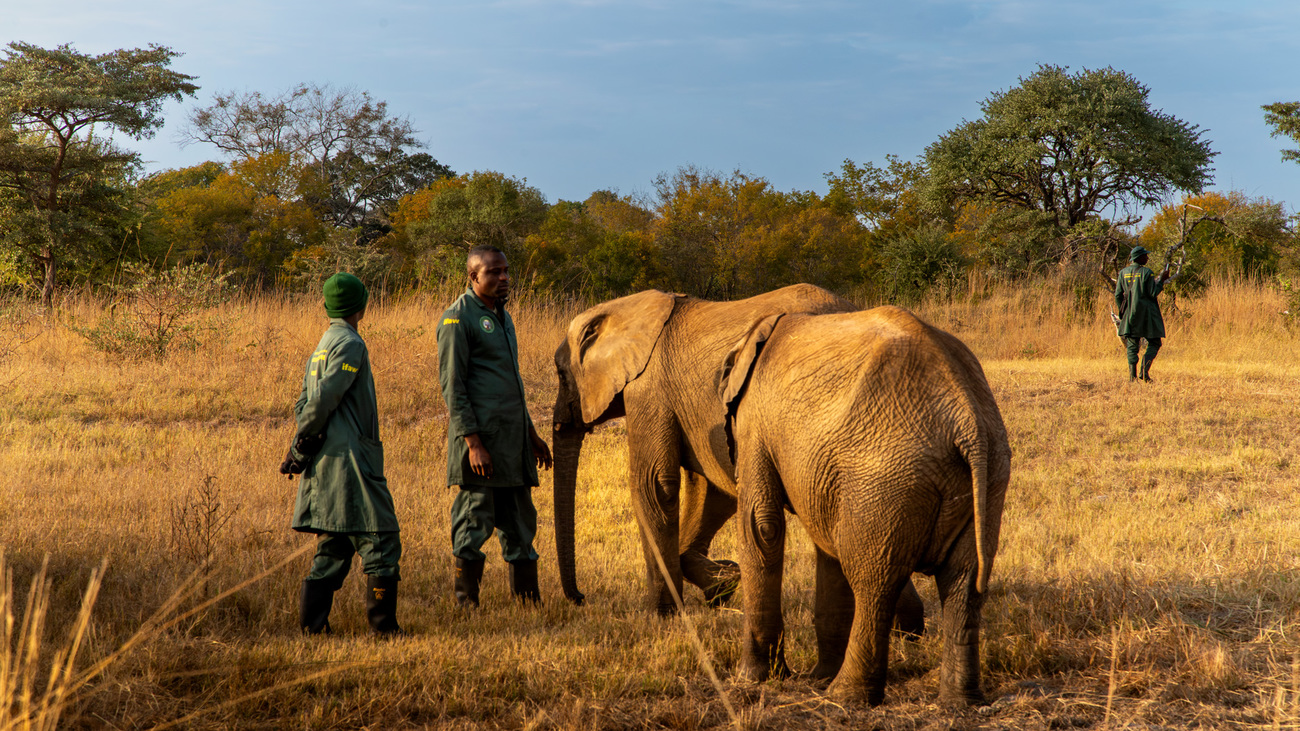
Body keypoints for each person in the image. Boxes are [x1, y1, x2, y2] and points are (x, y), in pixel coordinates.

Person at [280, 272, 403, 635]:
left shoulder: (323, 343)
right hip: (351, 459)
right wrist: (302, 440)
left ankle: (312, 628)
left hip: (326, 459)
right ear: (362, 305)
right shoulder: (350, 343)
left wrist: (299, 448)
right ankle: (384, 628)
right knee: (381, 537)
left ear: (325, 307)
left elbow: (304, 403)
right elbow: (323, 399)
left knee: (335, 541)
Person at [437, 245, 553, 608]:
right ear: (474, 276)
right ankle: (466, 603)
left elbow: (512, 383)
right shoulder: (457, 319)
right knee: (473, 523)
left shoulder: (503, 316)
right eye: (494, 272)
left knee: (521, 524)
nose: (504, 278)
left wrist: (531, 435)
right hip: (482, 444)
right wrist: (473, 443)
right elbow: (452, 387)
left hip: (512, 443)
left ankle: (528, 603)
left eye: (505, 271)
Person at [1114, 245, 1169, 383]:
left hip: (1130, 315)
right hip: (1146, 315)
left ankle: (1132, 378)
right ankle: (1144, 372)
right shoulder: (1147, 273)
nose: (1147, 257)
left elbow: (1117, 295)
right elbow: (1153, 292)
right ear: (1139, 258)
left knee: (1132, 345)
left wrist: (1123, 312)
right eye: (1145, 255)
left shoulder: (1123, 273)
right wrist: (1162, 280)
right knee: (1155, 342)